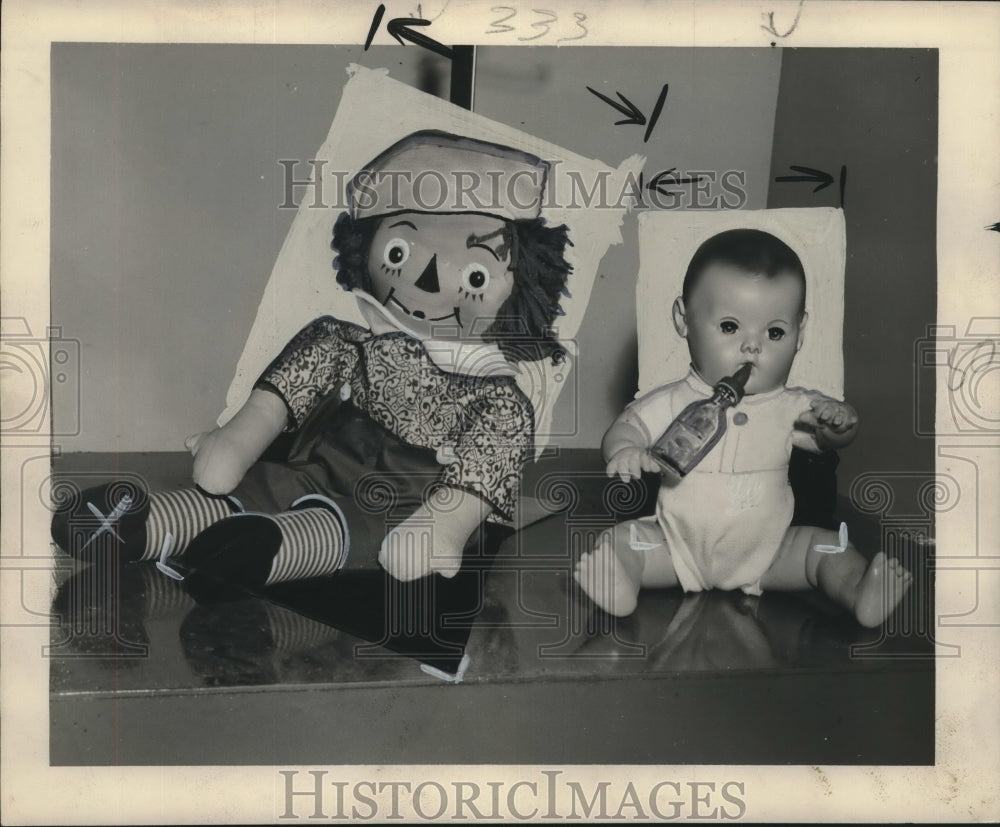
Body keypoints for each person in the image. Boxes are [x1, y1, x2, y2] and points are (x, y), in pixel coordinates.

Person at [53, 130, 572, 588]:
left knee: (341, 529)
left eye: (475, 275)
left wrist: (445, 524)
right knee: (254, 486)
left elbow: (483, 470)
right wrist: (237, 438)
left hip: (410, 503)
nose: (426, 281)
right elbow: (279, 397)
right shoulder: (342, 340)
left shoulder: (498, 400)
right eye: (399, 252)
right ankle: (144, 523)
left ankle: (264, 553)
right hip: (318, 466)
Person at [574, 228, 911, 627]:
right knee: (623, 541)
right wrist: (626, 451)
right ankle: (620, 582)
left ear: (799, 334)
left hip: (770, 552)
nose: (753, 348)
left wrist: (837, 423)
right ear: (684, 320)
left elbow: (828, 439)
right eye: (731, 327)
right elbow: (627, 427)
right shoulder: (673, 399)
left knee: (826, 548)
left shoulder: (793, 405)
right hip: (677, 546)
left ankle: (858, 590)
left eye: (774, 333)